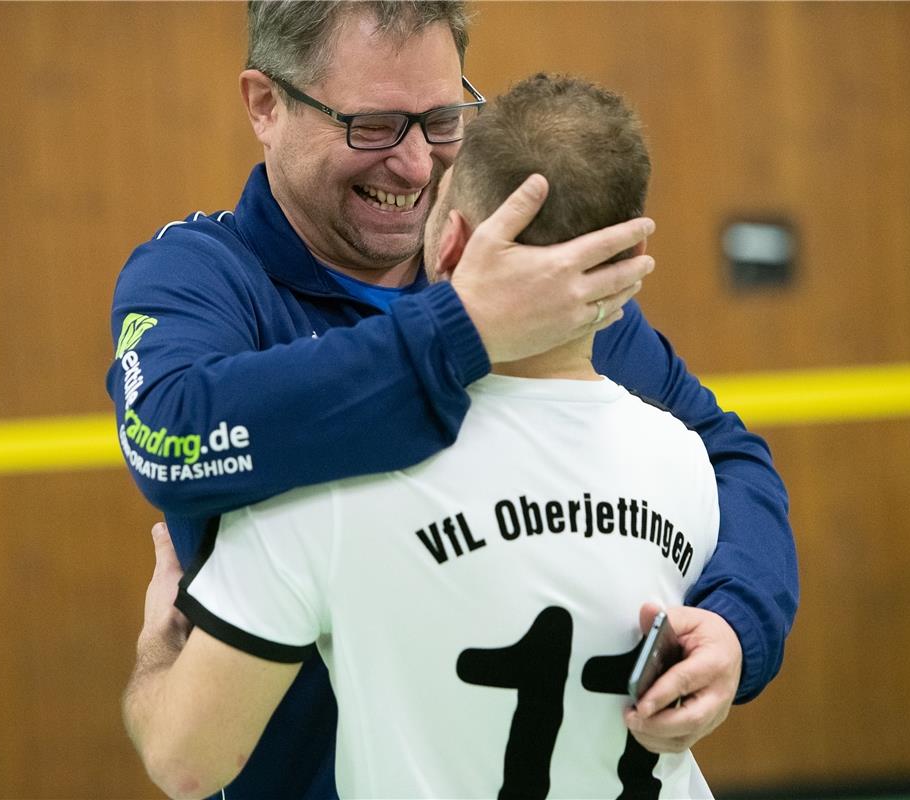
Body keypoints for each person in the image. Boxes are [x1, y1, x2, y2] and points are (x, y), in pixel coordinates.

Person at [108, 2, 797, 797]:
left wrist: (736, 625)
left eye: (440, 120)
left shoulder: (536, 284)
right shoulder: (201, 275)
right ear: (266, 104)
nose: (411, 165)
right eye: (370, 126)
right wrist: (461, 329)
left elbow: (723, 455)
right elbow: (171, 434)